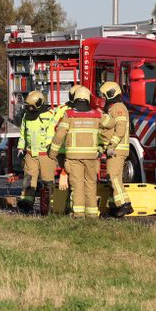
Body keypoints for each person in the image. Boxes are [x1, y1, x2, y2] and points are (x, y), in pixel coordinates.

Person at [48, 87, 109, 218]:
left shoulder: (69, 115)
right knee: (91, 184)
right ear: (88, 99)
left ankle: (78, 213)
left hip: (73, 158)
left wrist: (52, 153)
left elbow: (59, 136)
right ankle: (92, 214)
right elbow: (111, 124)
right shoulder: (97, 115)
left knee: (77, 185)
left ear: (75, 98)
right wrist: (102, 146)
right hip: (92, 157)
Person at [16, 90, 67, 211]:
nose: (29, 109)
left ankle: (51, 204)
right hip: (30, 154)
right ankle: (27, 202)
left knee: (47, 181)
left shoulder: (50, 115)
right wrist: (20, 147)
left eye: (31, 106)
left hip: (46, 154)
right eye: (28, 107)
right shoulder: (26, 116)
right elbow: (23, 134)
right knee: (29, 179)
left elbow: (59, 123)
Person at [99, 81, 134, 217]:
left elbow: (120, 129)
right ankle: (114, 206)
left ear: (111, 94)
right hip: (117, 150)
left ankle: (125, 204)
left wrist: (112, 145)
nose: (103, 98)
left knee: (113, 177)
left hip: (117, 150)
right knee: (115, 178)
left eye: (104, 95)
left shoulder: (118, 107)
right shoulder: (115, 107)